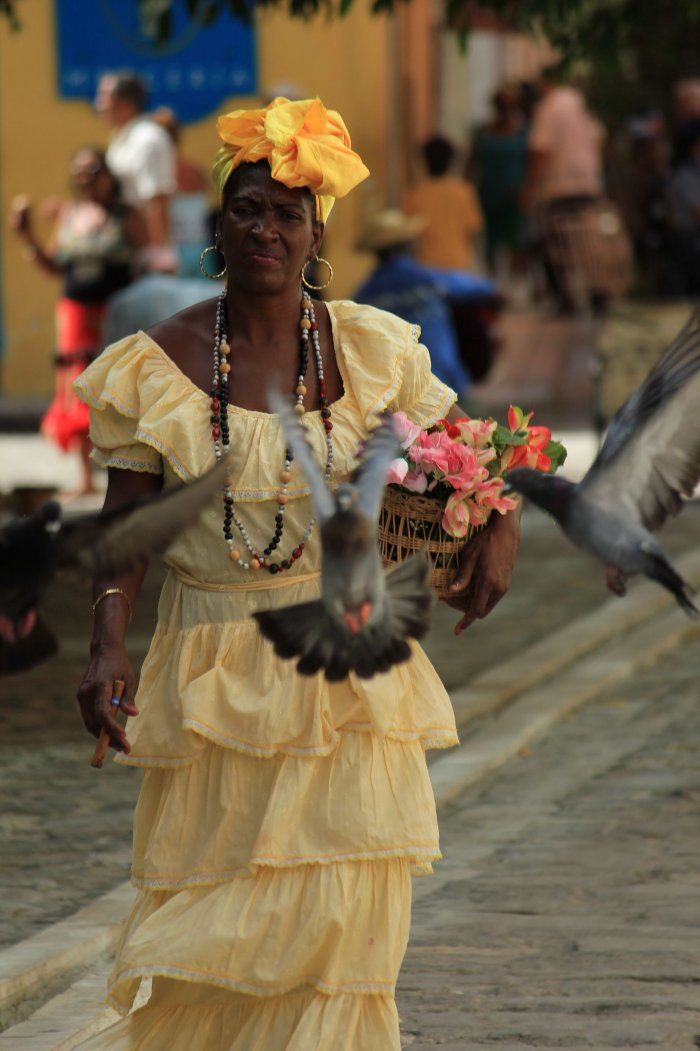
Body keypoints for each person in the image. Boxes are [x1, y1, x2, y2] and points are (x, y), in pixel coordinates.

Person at [73, 96, 520, 1050]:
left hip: (350, 678)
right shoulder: (155, 365)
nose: (264, 226)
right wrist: (108, 644)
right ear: (217, 228)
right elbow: (123, 534)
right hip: (210, 689)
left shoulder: (374, 349)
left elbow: (466, 455)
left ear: (317, 229)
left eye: (286, 210)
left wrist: (501, 519)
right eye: (245, 208)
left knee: (340, 937)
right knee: (208, 946)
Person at [8, 146, 146, 496]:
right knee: (78, 390)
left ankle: (128, 477)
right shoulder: (69, 214)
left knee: (120, 390)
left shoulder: (127, 215)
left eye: (93, 170)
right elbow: (53, 265)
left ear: (108, 175)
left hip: (115, 312)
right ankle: (85, 479)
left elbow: (147, 260)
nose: (85, 178)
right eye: (79, 171)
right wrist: (26, 236)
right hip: (75, 313)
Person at [354, 208, 499, 398]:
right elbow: (478, 288)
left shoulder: (365, 295)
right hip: (442, 376)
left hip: (394, 387)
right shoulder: (427, 280)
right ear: (405, 244)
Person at [523, 69, 606, 311]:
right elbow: (599, 138)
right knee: (586, 244)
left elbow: (540, 150)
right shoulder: (582, 105)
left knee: (557, 246)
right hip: (587, 184)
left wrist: (530, 186)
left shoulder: (549, 108)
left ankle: (564, 299)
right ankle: (596, 293)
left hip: (559, 187)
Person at [95, 72, 177, 274]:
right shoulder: (121, 137)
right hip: (126, 250)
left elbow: (157, 199)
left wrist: (158, 258)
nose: (98, 105)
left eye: (104, 98)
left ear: (125, 104)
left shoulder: (147, 140)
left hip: (145, 256)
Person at [469, 82, 530, 285]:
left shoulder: (523, 133)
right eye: (501, 104)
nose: (505, 109)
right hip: (487, 194)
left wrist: (527, 190)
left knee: (516, 241)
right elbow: (472, 162)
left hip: (514, 195)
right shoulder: (483, 132)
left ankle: (515, 284)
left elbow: (530, 164)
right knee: (490, 243)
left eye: (509, 104)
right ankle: (493, 282)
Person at [403, 134, 484, 272]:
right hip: (458, 263)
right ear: (451, 161)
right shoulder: (464, 193)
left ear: (425, 161)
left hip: (427, 265)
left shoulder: (415, 194)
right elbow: (473, 229)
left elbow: (408, 234)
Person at [152, 105, 214, 278]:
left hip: (173, 253)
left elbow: (158, 214)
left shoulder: (158, 174)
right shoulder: (195, 170)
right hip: (202, 250)